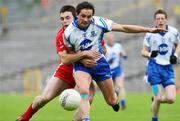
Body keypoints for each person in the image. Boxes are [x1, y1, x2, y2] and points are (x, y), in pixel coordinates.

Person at [63, 1, 166, 121]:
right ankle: (86, 119)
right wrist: (82, 58)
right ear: (77, 14)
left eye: (89, 16)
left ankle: (114, 101)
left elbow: (123, 27)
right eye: (83, 16)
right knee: (84, 91)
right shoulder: (69, 33)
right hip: (82, 66)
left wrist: (148, 30)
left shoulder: (99, 22)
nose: (86, 19)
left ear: (92, 16)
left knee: (111, 100)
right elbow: (69, 56)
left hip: (100, 63)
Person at [16, 5, 98, 121]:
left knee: (87, 98)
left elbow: (102, 48)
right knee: (44, 99)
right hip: (66, 71)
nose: (64, 21)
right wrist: (83, 56)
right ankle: (24, 118)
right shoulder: (61, 35)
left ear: (75, 17)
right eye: (62, 18)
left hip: (84, 71)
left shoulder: (90, 30)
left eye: (67, 18)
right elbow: (65, 59)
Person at [141, 9, 180, 121]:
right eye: (158, 19)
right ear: (155, 21)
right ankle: (154, 118)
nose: (160, 21)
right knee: (158, 97)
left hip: (168, 69)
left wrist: (175, 55)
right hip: (154, 69)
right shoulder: (149, 33)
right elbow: (142, 52)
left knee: (171, 99)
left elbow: (178, 44)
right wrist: (149, 54)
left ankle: (155, 100)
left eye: (162, 18)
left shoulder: (174, 32)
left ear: (166, 20)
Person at [105, 33, 127, 110]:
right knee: (113, 89)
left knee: (120, 85)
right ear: (106, 39)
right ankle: (116, 95)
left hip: (117, 69)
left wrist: (123, 55)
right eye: (108, 38)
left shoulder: (118, 46)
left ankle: (123, 101)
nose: (110, 40)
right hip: (108, 70)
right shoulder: (104, 47)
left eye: (111, 38)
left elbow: (123, 54)